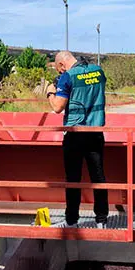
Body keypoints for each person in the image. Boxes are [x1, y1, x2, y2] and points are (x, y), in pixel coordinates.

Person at [45, 51, 108, 228]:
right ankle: (101, 220)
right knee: (98, 177)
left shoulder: (67, 77)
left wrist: (50, 93)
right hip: (95, 131)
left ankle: (72, 221)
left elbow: (58, 107)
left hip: (75, 134)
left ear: (61, 65)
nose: (60, 74)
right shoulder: (98, 71)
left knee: (73, 179)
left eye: (59, 71)